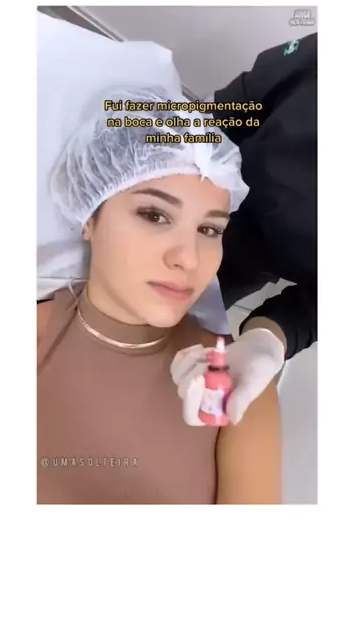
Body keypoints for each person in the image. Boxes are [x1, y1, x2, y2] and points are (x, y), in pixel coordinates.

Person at [37, 84, 283, 504]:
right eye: (154, 215)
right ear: (88, 217)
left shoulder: (237, 389)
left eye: (210, 229)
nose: (189, 258)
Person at [171, 33, 316, 425]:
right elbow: (240, 106)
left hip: (260, 256)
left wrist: (268, 340)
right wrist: (179, 159)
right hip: (203, 184)